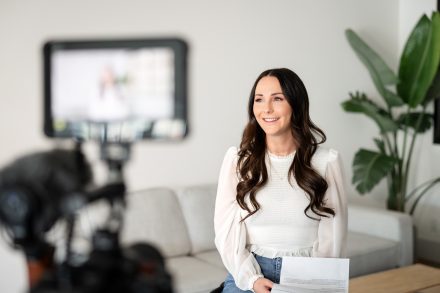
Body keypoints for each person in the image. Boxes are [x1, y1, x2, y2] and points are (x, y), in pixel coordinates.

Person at [214, 68, 347, 293]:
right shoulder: (237, 160)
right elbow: (225, 232)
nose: (266, 109)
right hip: (252, 271)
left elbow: (333, 236)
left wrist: (311, 281)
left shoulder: (327, 162)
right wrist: (251, 279)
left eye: (277, 99)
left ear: (296, 105)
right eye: (259, 100)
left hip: (307, 274)